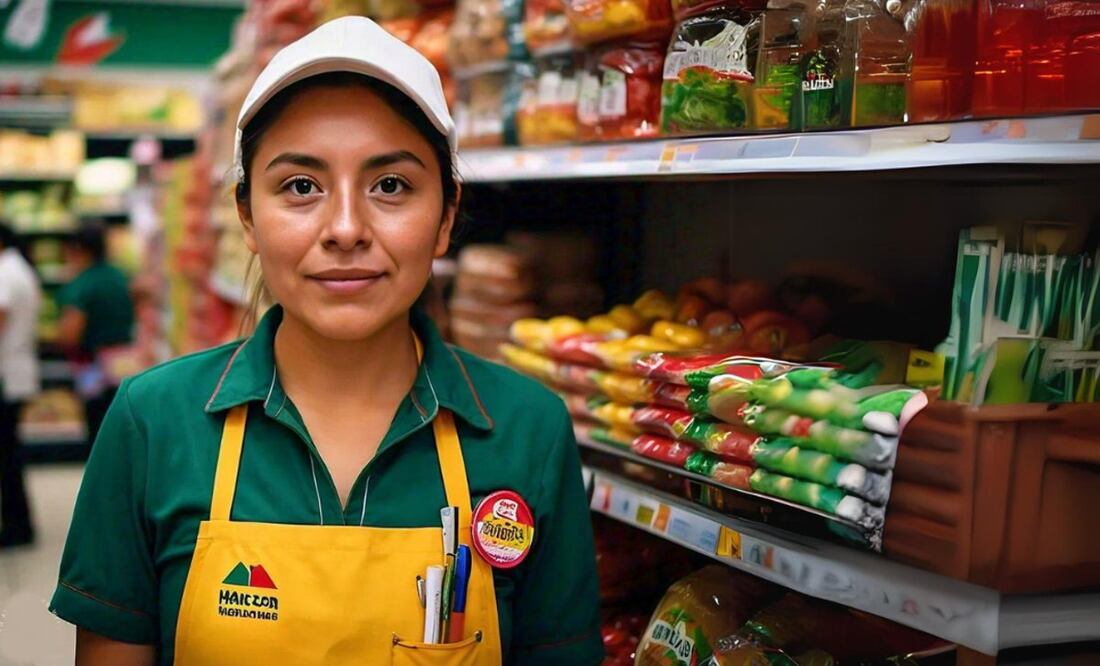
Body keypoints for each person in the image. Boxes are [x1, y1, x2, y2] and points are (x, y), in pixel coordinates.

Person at [50, 16, 602, 666]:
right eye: (300, 187)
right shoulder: (152, 422)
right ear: (247, 216)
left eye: (390, 185)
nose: (345, 228)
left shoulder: (527, 429)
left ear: (447, 216)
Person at [56, 223, 135, 445]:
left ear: (78, 249)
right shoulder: (118, 276)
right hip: (123, 361)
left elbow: (71, 332)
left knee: (97, 429)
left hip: (93, 366)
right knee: (120, 427)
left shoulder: (83, 284)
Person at [0, 220, 41, 548]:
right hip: (17, 369)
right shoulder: (20, 268)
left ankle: (16, 526)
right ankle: (19, 523)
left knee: (7, 457)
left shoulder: (4, 272)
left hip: (6, 373)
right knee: (9, 454)